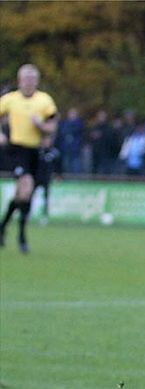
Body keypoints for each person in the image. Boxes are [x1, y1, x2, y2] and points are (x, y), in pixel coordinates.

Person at [0, 63, 59, 254]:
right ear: (19, 80)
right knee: (26, 186)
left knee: (25, 194)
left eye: (32, 79)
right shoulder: (10, 99)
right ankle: (21, 236)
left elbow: (52, 127)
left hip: (36, 152)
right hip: (17, 150)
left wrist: (41, 125)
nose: (29, 82)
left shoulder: (44, 100)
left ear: (37, 81)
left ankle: (4, 226)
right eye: (26, 78)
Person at [34, 134, 61, 224]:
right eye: (45, 140)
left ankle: (44, 216)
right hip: (36, 177)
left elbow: (58, 166)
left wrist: (58, 175)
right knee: (30, 195)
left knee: (46, 197)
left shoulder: (54, 153)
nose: (46, 142)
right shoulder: (37, 151)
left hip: (47, 178)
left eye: (48, 140)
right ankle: (27, 213)